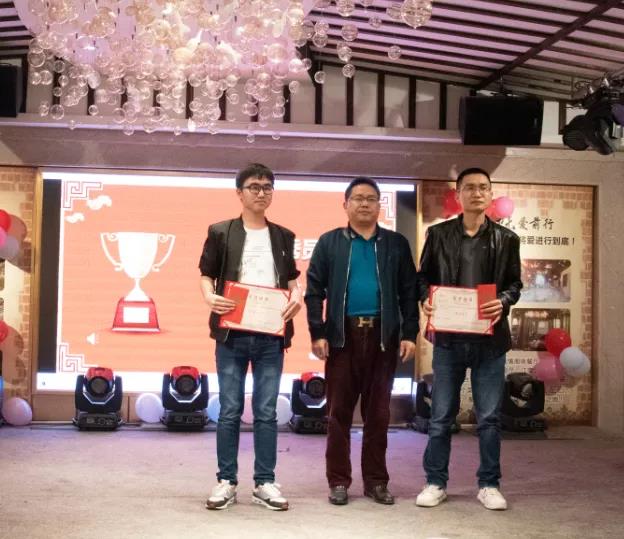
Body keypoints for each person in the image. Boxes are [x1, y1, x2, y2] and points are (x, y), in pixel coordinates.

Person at [305, 176, 419, 506]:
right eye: (358, 198)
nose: (365, 203)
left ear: (379, 205)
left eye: (371, 198)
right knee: (338, 414)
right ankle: (339, 481)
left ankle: (376, 481)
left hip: (384, 337)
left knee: (378, 415)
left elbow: (409, 292)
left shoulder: (395, 244)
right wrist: (318, 332)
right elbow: (314, 291)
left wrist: (409, 333)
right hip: (342, 338)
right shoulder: (330, 243)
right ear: (345, 204)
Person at [415, 167, 522, 511]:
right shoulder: (439, 234)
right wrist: (425, 298)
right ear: (458, 194)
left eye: (483, 188)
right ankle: (435, 482)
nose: (477, 193)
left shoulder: (507, 239)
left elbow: (515, 284)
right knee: (441, 416)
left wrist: (503, 301)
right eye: (470, 188)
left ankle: (489, 484)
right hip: (449, 339)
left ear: (490, 194)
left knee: (489, 418)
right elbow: (422, 277)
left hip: (490, 342)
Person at [198, 163, 302, 511]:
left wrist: (298, 296)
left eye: (267, 187)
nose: (261, 192)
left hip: (270, 335)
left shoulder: (283, 235)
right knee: (229, 409)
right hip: (232, 333)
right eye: (254, 187)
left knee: (266, 411)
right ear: (239, 193)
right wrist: (208, 296)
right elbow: (206, 274)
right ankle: (226, 481)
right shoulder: (220, 231)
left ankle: (265, 482)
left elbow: (291, 279)